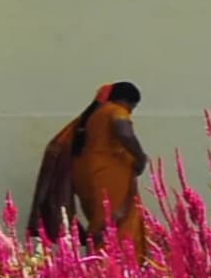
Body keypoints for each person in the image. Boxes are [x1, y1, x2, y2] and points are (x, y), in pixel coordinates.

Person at [30, 81, 149, 240]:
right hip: (108, 175)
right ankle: (110, 262)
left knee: (99, 222)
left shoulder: (91, 117)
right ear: (127, 101)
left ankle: (99, 260)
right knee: (115, 225)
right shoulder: (116, 110)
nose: (130, 112)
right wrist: (140, 157)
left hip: (87, 176)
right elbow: (125, 133)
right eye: (132, 108)